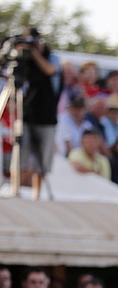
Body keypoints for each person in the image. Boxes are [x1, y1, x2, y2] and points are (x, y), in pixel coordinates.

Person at [17, 28, 62, 200]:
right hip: (26, 114)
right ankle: (17, 189)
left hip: (47, 116)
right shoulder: (23, 59)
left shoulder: (52, 57)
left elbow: (50, 70)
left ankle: (37, 195)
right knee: (20, 153)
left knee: (43, 158)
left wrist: (36, 53)